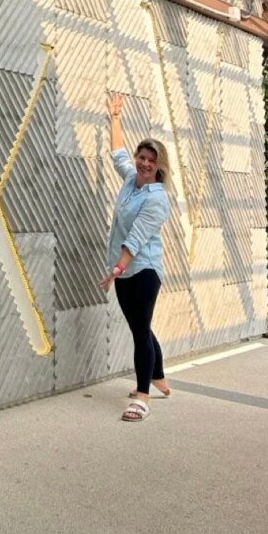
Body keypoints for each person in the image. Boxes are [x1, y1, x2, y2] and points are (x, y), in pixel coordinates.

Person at [99, 92, 171, 422]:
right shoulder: (131, 180)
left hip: (142, 270)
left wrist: (117, 267)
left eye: (150, 160)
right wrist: (115, 118)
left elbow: (136, 238)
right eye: (141, 157)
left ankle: (142, 397)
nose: (144, 163)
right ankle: (158, 376)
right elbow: (118, 154)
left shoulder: (157, 199)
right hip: (124, 269)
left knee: (140, 331)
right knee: (140, 326)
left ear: (159, 166)